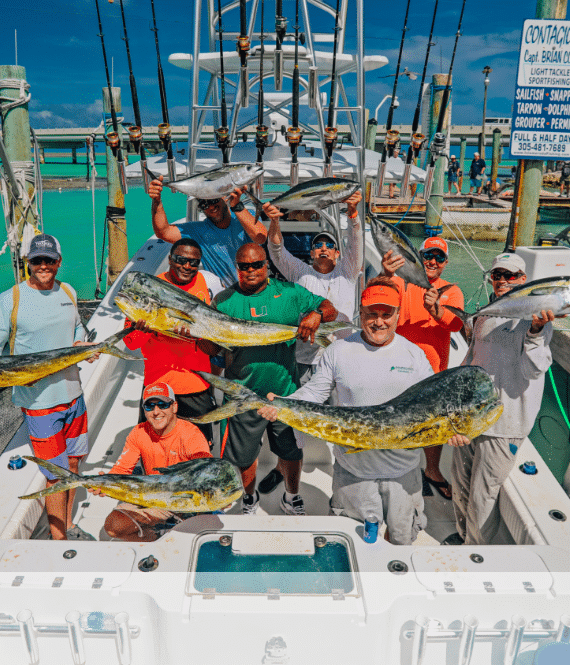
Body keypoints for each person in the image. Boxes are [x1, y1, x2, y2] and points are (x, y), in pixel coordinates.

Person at [258, 277, 469, 545]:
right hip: (352, 472)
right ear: (361, 312)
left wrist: (453, 429)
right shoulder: (338, 350)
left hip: (403, 473)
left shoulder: (415, 355)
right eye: (371, 314)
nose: (378, 322)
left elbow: (434, 405)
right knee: (355, 545)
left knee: (401, 540)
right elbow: (315, 392)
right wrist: (284, 403)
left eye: (386, 314)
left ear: (397, 314)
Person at [212, 243, 338, 516]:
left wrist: (316, 315)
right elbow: (212, 349)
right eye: (244, 266)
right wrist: (196, 331)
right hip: (243, 395)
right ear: (237, 268)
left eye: (256, 265)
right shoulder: (223, 301)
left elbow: (330, 309)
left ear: (266, 266)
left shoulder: (290, 293)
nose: (250, 271)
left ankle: (291, 497)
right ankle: (249, 498)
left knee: (291, 451)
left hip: (285, 393)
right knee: (244, 456)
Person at [260, 191, 362, 494]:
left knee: (346, 416)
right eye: (318, 245)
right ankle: (284, 467)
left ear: (338, 254)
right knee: (295, 419)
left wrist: (353, 212)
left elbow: (355, 241)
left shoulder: (349, 272)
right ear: (311, 253)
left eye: (330, 245)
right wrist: (274, 223)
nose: (324, 249)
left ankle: (350, 475)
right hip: (305, 358)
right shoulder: (300, 273)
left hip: (342, 358)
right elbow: (277, 252)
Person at [451, 253, 555, 545]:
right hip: (471, 418)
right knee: (460, 485)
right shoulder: (486, 313)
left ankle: (476, 553)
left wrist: (534, 332)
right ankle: (463, 538)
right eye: (498, 275)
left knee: (483, 497)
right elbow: (471, 359)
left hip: (504, 424)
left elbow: (533, 370)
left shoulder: (536, 319)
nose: (503, 281)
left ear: (523, 280)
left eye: (510, 276)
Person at [0, 234, 99, 540]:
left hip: (73, 395)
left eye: (49, 260)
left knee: (71, 463)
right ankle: (59, 539)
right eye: (36, 261)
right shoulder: (10, 300)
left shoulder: (67, 291)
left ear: (59, 261)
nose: (43, 266)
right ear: (27, 262)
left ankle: (67, 524)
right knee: (55, 476)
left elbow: (77, 331)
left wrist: (83, 345)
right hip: (40, 405)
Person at [381, 236, 464, 500]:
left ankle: (432, 470)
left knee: (434, 424)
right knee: (394, 416)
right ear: (419, 257)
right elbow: (382, 301)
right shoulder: (401, 281)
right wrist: (386, 273)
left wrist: (435, 309)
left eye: (439, 257)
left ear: (446, 262)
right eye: (428, 255)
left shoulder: (451, 289)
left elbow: (456, 325)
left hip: (433, 369)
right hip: (397, 367)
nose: (432, 261)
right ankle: (390, 468)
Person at [123, 238, 216, 444]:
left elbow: (214, 338)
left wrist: (198, 334)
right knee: (154, 449)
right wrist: (147, 330)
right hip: (158, 384)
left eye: (194, 262)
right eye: (180, 259)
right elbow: (130, 342)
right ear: (170, 258)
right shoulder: (148, 287)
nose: (187, 266)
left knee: (198, 449)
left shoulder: (207, 284)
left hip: (196, 384)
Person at [94, 382, 212, 542]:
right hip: (149, 494)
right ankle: (154, 539)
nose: (156, 412)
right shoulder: (138, 432)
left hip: (180, 499)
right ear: (144, 410)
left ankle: (173, 524)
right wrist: (105, 483)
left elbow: (206, 471)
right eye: (150, 406)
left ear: (175, 407)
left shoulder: (191, 435)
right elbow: (122, 468)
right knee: (113, 528)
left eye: (163, 405)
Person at [148, 177, 267, 287]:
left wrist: (236, 206)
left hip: (256, 289)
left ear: (224, 197)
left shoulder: (246, 216)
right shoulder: (198, 230)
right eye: (204, 204)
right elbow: (164, 232)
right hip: (224, 294)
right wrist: (156, 200)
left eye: (213, 200)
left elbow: (260, 237)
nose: (211, 207)